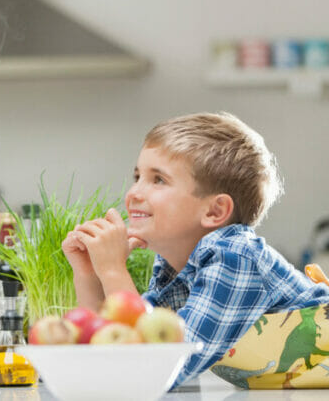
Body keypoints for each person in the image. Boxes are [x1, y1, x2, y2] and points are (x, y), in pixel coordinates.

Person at [62, 112, 329, 388]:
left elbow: (158, 369)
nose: (134, 193)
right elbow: (122, 348)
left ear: (215, 211)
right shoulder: (173, 267)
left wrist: (113, 270)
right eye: (137, 176)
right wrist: (89, 274)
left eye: (158, 180)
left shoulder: (234, 255)